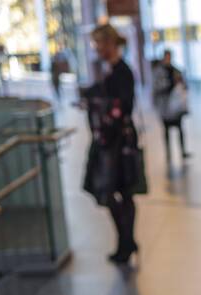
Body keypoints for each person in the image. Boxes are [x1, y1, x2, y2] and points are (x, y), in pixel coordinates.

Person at [82, 24, 142, 264]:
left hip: (119, 142)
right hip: (111, 140)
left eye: (98, 43)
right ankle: (126, 241)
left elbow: (122, 106)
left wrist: (101, 108)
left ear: (109, 43)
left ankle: (126, 242)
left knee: (121, 191)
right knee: (116, 192)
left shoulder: (122, 72)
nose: (96, 48)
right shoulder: (110, 71)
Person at [152, 50, 190, 162]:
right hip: (164, 106)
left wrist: (180, 83)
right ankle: (168, 152)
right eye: (166, 57)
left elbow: (184, 85)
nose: (168, 59)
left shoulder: (175, 70)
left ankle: (183, 151)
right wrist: (170, 84)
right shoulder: (158, 72)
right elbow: (156, 88)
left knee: (180, 128)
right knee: (166, 130)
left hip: (176, 106)